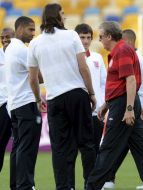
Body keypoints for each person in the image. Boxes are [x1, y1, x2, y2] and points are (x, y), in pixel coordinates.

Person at [86, 21, 143, 190]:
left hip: (123, 105)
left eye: (101, 37)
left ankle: (91, 187)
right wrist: (106, 104)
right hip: (121, 103)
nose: (100, 41)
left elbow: (131, 80)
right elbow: (121, 83)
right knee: (141, 150)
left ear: (109, 36)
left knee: (107, 148)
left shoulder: (122, 50)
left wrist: (128, 109)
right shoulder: (119, 52)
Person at [28, 4, 96, 189]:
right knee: (87, 143)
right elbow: (83, 67)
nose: (64, 17)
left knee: (59, 149)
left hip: (54, 99)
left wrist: (37, 99)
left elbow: (33, 78)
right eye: (63, 13)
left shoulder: (35, 43)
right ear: (57, 16)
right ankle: (91, 185)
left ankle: (64, 187)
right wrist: (91, 93)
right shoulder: (72, 35)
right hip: (76, 94)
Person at [102, 29, 143, 190]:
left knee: (110, 146)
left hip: (129, 105)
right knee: (136, 148)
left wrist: (130, 109)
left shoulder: (126, 54)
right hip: (132, 105)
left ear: (128, 42)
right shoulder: (133, 56)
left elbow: (130, 83)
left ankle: (99, 181)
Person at [67, 23, 107, 190]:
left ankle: (90, 185)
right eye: (82, 37)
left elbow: (104, 83)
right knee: (71, 151)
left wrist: (104, 106)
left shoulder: (97, 58)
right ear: (76, 38)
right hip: (76, 112)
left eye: (88, 37)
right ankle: (68, 185)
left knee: (93, 152)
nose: (85, 40)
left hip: (95, 114)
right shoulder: (70, 58)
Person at [5, 16, 42, 190]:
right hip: (26, 103)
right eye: (31, 29)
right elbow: (37, 76)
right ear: (20, 29)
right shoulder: (22, 50)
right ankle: (26, 185)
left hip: (14, 104)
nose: (33, 34)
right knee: (28, 147)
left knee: (19, 147)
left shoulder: (10, 48)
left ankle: (16, 185)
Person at [0, 27, 14, 173]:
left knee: (20, 146)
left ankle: (20, 183)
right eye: (2, 37)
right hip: (2, 105)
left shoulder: (21, 54)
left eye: (7, 37)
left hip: (17, 103)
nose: (4, 40)